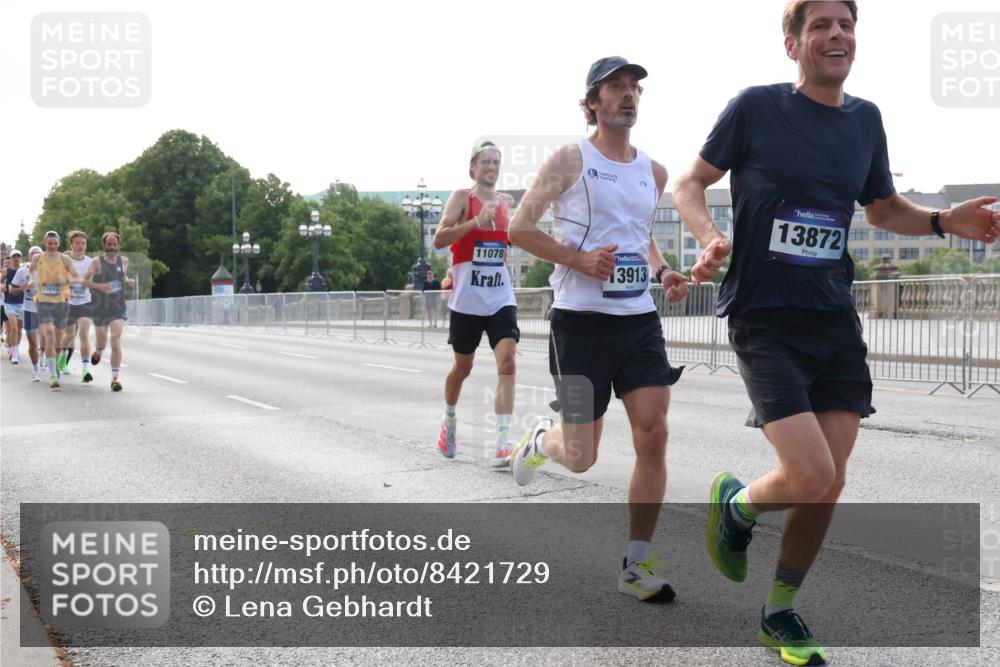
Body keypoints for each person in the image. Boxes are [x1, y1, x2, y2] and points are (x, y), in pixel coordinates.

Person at [671, 2, 1000, 664]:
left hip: (833, 319)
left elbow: (882, 207)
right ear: (791, 43)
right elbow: (689, 182)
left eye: (846, 25)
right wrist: (710, 237)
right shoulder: (755, 108)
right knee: (811, 469)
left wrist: (942, 221)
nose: (837, 34)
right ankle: (735, 508)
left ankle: (780, 610)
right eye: (820, 24)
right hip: (764, 315)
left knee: (830, 478)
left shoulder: (865, 120)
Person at [508, 57, 689, 602]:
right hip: (580, 324)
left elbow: (641, 234)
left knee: (654, 431)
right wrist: (578, 259)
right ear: (592, 101)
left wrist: (663, 272)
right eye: (616, 88)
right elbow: (520, 229)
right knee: (582, 457)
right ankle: (542, 440)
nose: (628, 96)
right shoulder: (570, 159)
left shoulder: (653, 172)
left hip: (637, 321)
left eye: (634, 88)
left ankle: (636, 564)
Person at [432, 140, 520, 466]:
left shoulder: (505, 203)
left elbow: (512, 239)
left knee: (508, 363)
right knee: (463, 368)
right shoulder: (462, 198)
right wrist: (474, 222)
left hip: (500, 297)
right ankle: (450, 422)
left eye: (496, 162)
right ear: (473, 167)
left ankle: (502, 442)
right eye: (485, 162)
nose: (492, 167)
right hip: (467, 301)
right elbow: (440, 239)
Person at [29, 231, 82, 389]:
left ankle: (56, 367)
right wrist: (32, 280)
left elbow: (75, 276)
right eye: (49, 243)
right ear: (45, 243)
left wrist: (66, 280)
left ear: (58, 244)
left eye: (55, 243)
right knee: (50, 335)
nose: (52, 246)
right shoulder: (37, 258)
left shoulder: (64, 259)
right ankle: (53, 376)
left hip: (61, 302)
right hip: (43, 302)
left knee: (59, 339)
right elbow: (31, 271)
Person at [83, 232, 135, 392]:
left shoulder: (124, 261)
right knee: (102, 342)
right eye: (109, 245)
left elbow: (121, 276)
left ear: (118, 246)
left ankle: (115, 379)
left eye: (114, 245)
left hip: (117, 306)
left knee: (116, 339)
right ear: (104, 245)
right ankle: (98, 350)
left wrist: (128, 281)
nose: (112, 248)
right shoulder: (96, 262)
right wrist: (100, 287)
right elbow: (84, 281)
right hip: (100, 307)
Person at [64, 230, 95, 382]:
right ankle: (62, 361)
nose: (80, 246)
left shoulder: (90, 261)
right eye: (77, 243)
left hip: (85, 302)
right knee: (69, 335)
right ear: (71, 244)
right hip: (68, 302)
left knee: (83, 334)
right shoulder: (64, 260)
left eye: (83, 243)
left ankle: (85, 369)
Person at [10, 246, 43, 381]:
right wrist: (23, 287)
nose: (36, 257)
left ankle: (45, 357)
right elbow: (12, 290)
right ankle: (35, 369)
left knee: (46, 339)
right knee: (32, 342)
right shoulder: (22, 271)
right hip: (29, 309)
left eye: (38, 255)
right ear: (29, 257)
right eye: (33, 255)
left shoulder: (48, 270)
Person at [3, 250, 24, 365]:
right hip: (9, 303)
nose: (16, 259)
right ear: (10, 259)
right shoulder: (7, 271)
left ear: (20, 258)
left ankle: (14, 348)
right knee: (14, 328)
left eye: (18, 257)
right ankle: (15, 354)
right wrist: (2, 287)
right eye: (14, 257)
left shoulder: (25, 271)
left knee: (19, 329)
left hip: (22, 303)